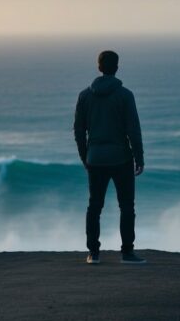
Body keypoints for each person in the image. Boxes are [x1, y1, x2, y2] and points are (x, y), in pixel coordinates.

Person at [74, 50, 146, 265]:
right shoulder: (125, 95)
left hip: (95, 159)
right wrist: (139, 158)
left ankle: (93, 254)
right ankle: (127, 253)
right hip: (121, 158)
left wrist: (84, 156)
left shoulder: (84, 96)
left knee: (94, 206)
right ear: (116, 68)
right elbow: (133, 129)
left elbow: (79, 130)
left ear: (99, 67)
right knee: (126, 206)